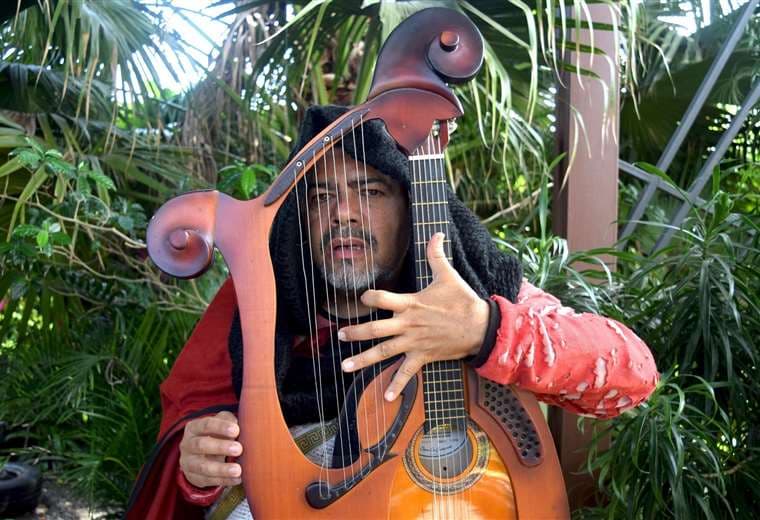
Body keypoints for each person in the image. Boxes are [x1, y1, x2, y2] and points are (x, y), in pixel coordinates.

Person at [126, 106, 659, 519]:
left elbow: (632, 375)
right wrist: (199, 466)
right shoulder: (257, 303)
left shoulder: (473, 285)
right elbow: (187, 446)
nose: (343, 213)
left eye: (370, 190)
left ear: (412, 204)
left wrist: (484, 330)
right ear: (299, 216)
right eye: (321, 196)